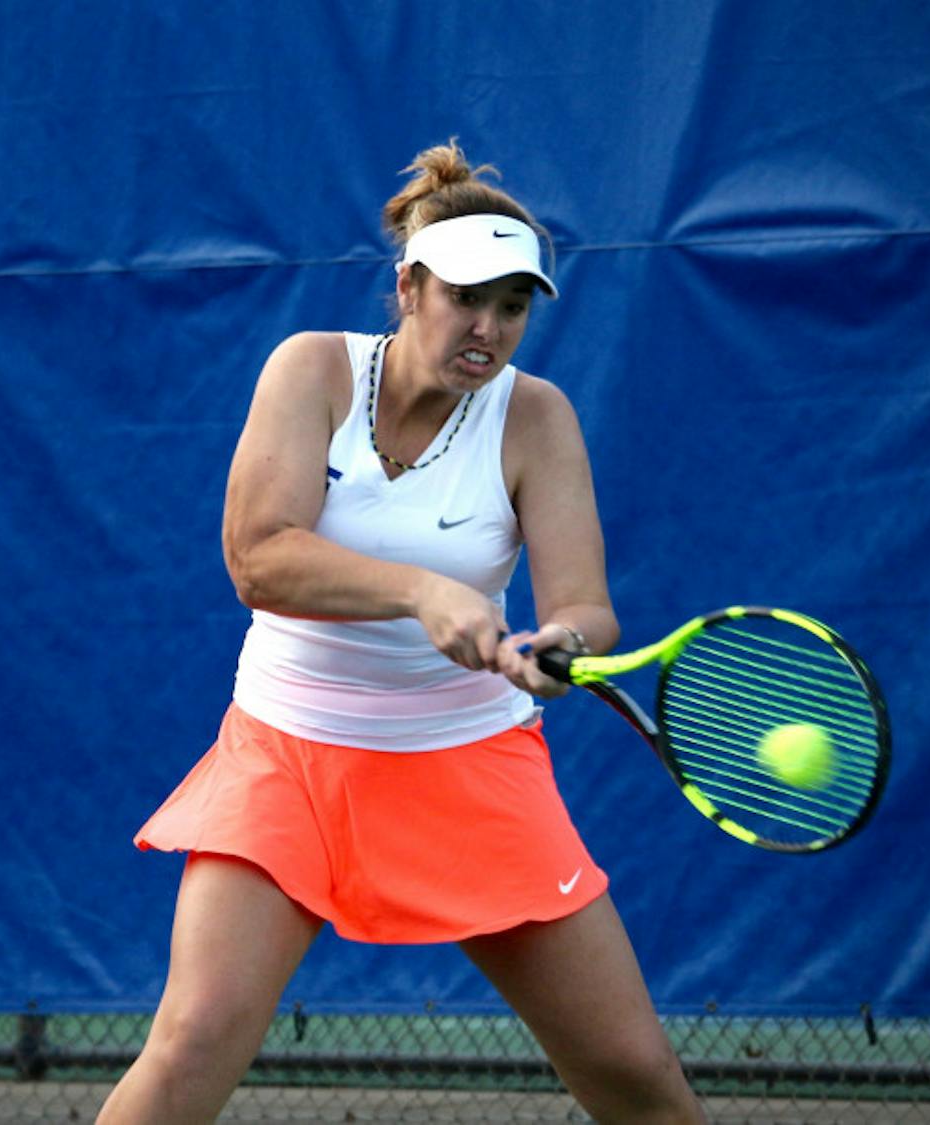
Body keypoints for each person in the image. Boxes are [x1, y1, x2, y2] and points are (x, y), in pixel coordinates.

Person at [97, 140, 703, 1124]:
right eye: (468, 296)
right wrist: (423, 592)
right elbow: (258, 556)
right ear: (410, 287)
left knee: (635, 1070)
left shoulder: (537, 420)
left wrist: (561, 647)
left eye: (513, 306)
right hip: (287, 756)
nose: (490, 327)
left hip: (469, 762)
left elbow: (586, 608)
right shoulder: (313, 372)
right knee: (195, 1038)